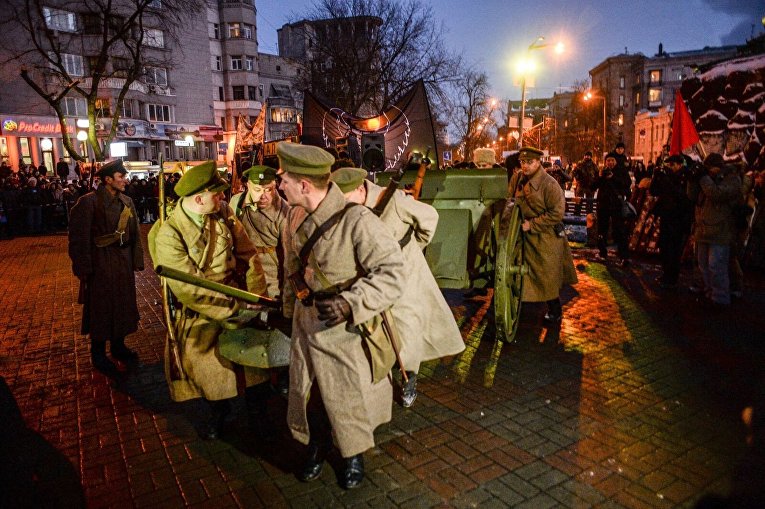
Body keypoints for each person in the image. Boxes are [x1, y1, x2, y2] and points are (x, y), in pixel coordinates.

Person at [277, 143, 405, 489]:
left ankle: (352, 456)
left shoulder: (357, 220)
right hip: (306, 324)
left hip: (344, 330)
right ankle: (316, 447)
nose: (280, 183)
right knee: (311, 396)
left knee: (346, 397)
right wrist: (289, 309)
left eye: (285, 178)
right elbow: (291, 266)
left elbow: (393, 272)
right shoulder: (293, 215)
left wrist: (351, 303)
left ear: (304, 185)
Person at [151, 161, 274, 440]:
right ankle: (217, 414)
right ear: (199, 198)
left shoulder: (223, 213)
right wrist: (232, 309)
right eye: (216, 194)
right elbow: (188, 288)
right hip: (203, 313)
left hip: (241, 302)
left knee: (255, 367)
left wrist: (256, 300)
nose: (222, 197)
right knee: (211, 374)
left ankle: (259, 417)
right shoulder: (169, 234)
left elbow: (249, 255)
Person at [329, 167, 465, 408]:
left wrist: (413, 247)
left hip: (405, 273)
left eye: (347, 199)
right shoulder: (348, 210)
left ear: (360, 189)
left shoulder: (392, 200)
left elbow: (429, 217)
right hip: (372, 276)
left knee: (407, 326)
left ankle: (409, 376)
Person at [67, 160, 144, 378]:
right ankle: (98, 352)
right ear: (108, 179)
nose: (125, 181)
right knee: (101, 308)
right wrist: (83, 267)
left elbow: (135, 233)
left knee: (122, 304)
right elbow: (78, 238)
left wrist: (136, 261)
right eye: (121, 177)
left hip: (122, 262)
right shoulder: (88, 203)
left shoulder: (127, 202)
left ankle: (118, 346)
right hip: (100, 264)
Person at [508, 146, 578, 324]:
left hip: (545, 237)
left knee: (546, 276)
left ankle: (555, 311)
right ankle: (524, 305)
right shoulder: (518, 179)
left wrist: (532, 225)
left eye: (529, 162)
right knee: (522, 272)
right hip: (523, 235)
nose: (525, 166)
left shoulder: (549, 184)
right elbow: (509, 199)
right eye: (522, 162)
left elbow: (557, 213)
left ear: (538, 162)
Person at [687, 153, 741, 306]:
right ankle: (709, 291)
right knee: (703, 265)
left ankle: (720, 298)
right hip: (702, 228)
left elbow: (716, 194)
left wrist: (703, 178)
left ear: (718, 168)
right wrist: (692, 179)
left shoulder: (732, 178)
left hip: (720, 230)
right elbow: (692, 196)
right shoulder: (707, 179)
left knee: (716, 265)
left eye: (709, 169)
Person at [230, 165, 290, 298]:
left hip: (270, 275)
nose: (264, 196)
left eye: (269, 190)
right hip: (242, 271)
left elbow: (289, 255)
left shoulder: (284, 211)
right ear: (247, 185)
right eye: (257, 190)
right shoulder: (236, 203)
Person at [649, 155, 694, 288]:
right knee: (664, 246)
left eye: (673, 164)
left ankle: (671, 278)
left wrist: (666, 180)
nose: (670, 167)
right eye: (668, 165)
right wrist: (656, 177)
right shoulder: (665, 177)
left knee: (674, 249)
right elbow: (654, 191)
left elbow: (681, 196)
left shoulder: (685, 177)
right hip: (666, 216)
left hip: (679, 218)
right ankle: (666, 274)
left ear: (680, 165)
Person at [592, 153, 632, 265]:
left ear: (616, 161)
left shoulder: (621, 171)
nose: (610, 162)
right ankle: (602, 252)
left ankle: (624, 256)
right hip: (603, 205)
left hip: (616, 205)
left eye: (612, 160)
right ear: (605, 162)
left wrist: (613, 177)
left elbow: (626, 184)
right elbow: (593, 186)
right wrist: (600, 177)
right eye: (608, 160)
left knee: (619, 230)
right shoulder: (602, 172)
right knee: (602, 230)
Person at [573, 151, 598, 215]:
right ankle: (577, 213)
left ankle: (589, 214)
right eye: (586, 155)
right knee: (578, 201)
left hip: (590, 186)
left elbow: (596, 175)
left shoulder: (594, 165)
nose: (587, 157)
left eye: (588, 156)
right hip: (581, 185)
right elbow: (574, 172)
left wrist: (595, 185)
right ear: (584, 156)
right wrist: (578, 178)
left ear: (591, 157)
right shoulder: (580, 164)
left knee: (589, 202)